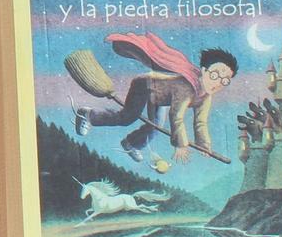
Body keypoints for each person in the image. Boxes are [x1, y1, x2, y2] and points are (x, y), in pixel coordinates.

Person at [75, 32, 236, 164]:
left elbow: (200, 122)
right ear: (204, 70)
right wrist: (180, 144)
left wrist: (204, 145)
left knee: (155, 127)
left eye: (225, 80)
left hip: (162, 98)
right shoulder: (187, 88)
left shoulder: (206, 96)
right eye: (215, 74)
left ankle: (131, 143)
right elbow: (177, 116)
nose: (218, 82)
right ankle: (89, 114)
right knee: (127, 118)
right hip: (146, 85)